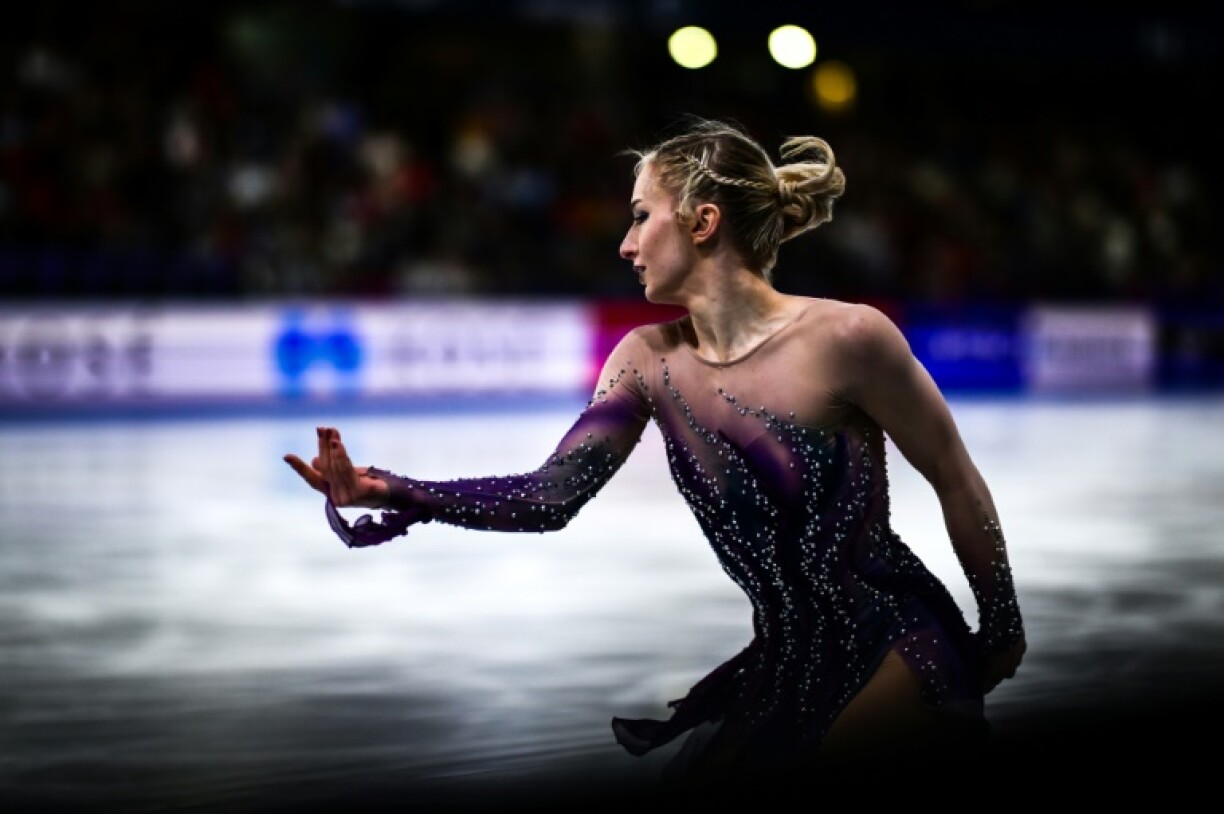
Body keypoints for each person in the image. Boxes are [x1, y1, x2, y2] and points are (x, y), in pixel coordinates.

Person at [283, 117, 1026, 787]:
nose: (626, 243)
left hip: (897, 641)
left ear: (703, 222)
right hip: (784, 667)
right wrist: (390, 488)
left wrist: (1001, 629)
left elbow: (955, 478)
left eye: (641, 216)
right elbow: (549, 497)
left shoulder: (849, 339)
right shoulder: (646, 362)